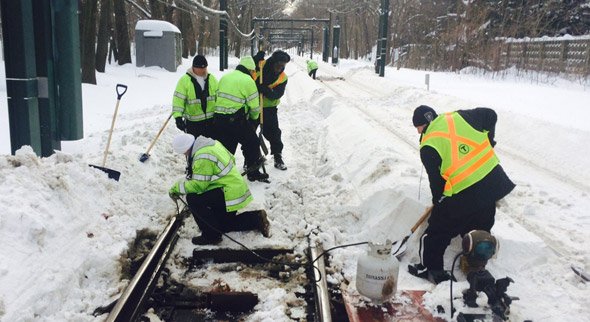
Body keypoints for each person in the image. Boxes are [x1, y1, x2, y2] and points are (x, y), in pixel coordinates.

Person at [408, 105, 515, 284]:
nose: (418, 131)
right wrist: (489, 141)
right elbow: (491, 114)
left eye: (417, 127)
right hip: (491, 184)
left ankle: (431, 269)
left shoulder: (428, 145)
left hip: (462, 194)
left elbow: (437, 184)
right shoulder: (459, 117)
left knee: (436, 233)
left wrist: (439, 204)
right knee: (480, 230)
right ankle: (475, 265)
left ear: (420, 126)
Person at [169, 133, 270, 245]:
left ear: (186, 148)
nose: (184, 155)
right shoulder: (210, 144)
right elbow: (231, 159)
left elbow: (199, 185)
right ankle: (256, 218)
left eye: (183, 152)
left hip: (228, 192)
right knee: (222, 225)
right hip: (232, 188)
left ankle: (211, 236)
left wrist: (176, 188)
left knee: (193, 198)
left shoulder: (202, 156)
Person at [214, 56, 268, 182]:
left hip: (218, 120)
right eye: (254, 72)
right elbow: (255, 107)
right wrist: (254, 121)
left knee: (225, 149)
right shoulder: (248, 81)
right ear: (250, 70)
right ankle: (253, 172)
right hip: (236, 121)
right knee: (252, 143)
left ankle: (221, 174)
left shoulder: (225, 77)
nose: (254, 74)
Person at [255, 50, 291, 170]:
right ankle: (250, 159)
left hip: (269, 109)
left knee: (274, 133)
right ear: (273, 62)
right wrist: (255, 59)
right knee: (249, 134)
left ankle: (278, 156)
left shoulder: (283, 78)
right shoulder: (261, 65)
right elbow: (246, 71)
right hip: (253, 106)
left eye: (283, 66)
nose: (280, 69)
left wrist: (264, 89)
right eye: (278, 65)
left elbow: (277, 94)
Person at [172, 55, 218, 138]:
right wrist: (178, 118)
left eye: (205, 68)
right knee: (195, 149)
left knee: (210, 149)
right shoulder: (184, 81)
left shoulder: (212, 79)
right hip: (193, 125)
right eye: (200, 68)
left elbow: (219, 98)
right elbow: (178, 101)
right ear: (194, 67)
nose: (203, 70)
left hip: (211, 123)